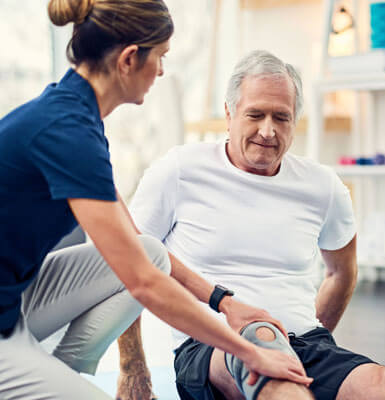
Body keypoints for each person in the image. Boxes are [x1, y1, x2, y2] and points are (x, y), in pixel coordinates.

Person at [0, 1, 312, 399]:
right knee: (145, 266)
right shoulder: (68, 133)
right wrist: (250, 353)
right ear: (130, 59)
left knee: (151, 251)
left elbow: (136, 245)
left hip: (16, 298)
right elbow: (143, 283)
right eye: (160, 56)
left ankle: (59, 375)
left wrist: (224, 301)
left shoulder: (75, 114)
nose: (162, 71)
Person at [120, 50, 385, 400]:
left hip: (305, 343)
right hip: (211, 349)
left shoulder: (323, 186)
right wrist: (133, 366)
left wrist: (307, 335)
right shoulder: (179, 170)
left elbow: (342, 272)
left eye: (281, 118)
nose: (267, 131)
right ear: (229, 113)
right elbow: (127, 260)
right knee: (266, 346)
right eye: (255, 115)